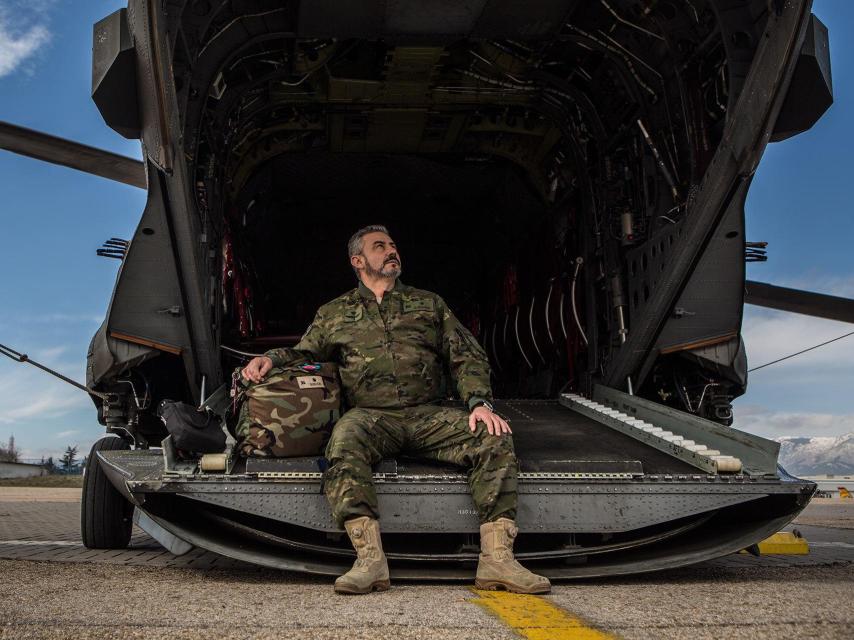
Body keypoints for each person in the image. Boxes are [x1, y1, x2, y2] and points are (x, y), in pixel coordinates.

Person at [241, 224, 550, 595]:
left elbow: (465, 355)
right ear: (358, 261)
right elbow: (306, 354)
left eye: (392, 244)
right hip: (372, 418)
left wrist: (479, 402)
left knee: (493, 434)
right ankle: (369, 560)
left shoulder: (428, 304)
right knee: (343, 439)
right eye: (379, 246)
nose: (391, 250)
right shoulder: (335, 312)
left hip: (428, 415)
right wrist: (270, 360)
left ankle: (498, 560)